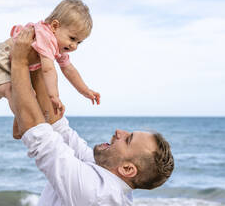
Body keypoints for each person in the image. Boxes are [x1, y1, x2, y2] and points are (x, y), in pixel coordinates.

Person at [10, 26, 175, 205]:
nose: (120, 131)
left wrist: (19, 61)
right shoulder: (105, 171)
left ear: (127, 169)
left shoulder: (97, 194)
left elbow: (39, 136)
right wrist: (40, 54)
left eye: (128, 140)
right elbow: (57, 128)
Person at [0, 0, 100, 136]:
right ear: (54, 26)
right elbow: (48, 69)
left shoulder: (59, 45)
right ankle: (22, 123)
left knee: (28, 95)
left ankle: (19, 124)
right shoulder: (45, 36)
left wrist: (85, 90)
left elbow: (69, 69)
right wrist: (54, 96)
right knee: (13, 91)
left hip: (11, 66)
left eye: (79, 42)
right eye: (72, 38)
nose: (74, 46)